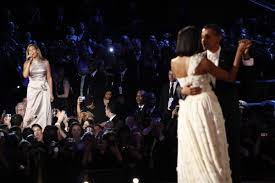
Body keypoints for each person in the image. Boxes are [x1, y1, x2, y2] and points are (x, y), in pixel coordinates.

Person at [171, 26, 251, 183]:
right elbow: (230, 77)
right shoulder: (201, 60)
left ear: (218, 37)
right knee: (206, 149)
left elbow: (247, 77)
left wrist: (244, 55)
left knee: (219, 149)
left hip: (202, 110)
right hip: (205, 108)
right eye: (201, 37)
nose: (203, 40)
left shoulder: (174, 62)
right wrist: (183, 90)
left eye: (207, 36)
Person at [22, 44, 54, 130]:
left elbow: (49, 77)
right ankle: (29, 129)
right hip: (32, 88)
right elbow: (25, 75)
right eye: (29, 50)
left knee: (44, 110)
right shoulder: (27, 63)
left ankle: (44, 130)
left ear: (37, 50)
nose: (31, 52)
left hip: (43, 88)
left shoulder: (45, 62)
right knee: (31, 109)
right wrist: (29, 61)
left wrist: (51, 93)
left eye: (33, 49)